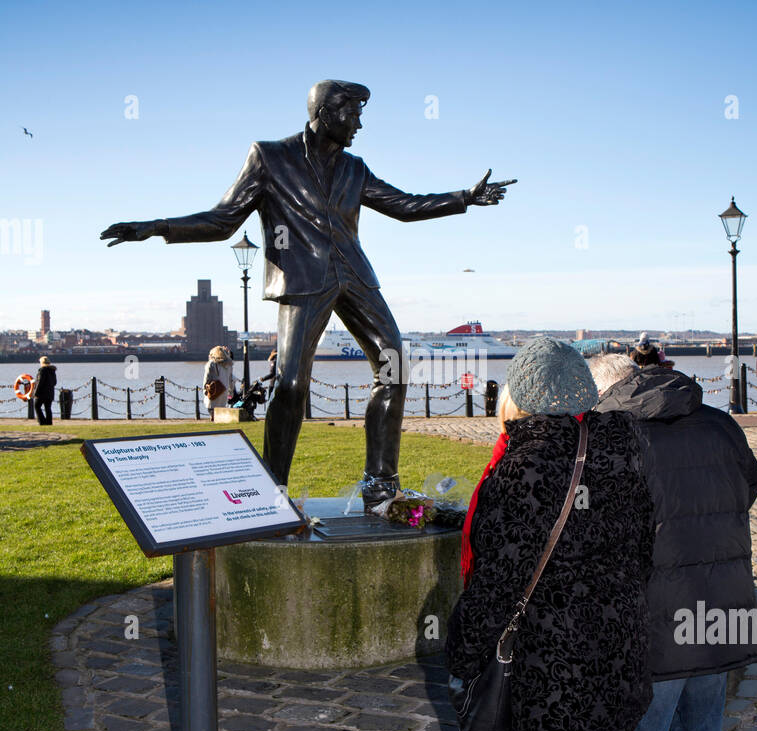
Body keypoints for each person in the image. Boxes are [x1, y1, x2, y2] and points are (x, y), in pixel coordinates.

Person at [100, 79, 514, 501]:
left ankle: (380, 484)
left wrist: (465, 197)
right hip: (301, 281)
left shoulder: (355, 168)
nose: (358, 123)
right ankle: (273, 488)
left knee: (394, 370)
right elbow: (223, 220)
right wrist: (156, 227)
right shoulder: (270, 157)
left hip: (355, 277)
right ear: (326, 113)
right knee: (292, 384)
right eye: (352, 113)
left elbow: (403, 206)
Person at [446, 338, 655, 731]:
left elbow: (496, 582)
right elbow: (643, 552)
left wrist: (462, 653)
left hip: (553, 665)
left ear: (525, 397)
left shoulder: (525, 470)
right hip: (611, 649)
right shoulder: (622, 451)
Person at [589, 353, 757, 731]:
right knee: (702, 725)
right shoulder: (719, 423)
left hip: (657, 607)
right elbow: (747, 488)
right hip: (722, 600)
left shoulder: (614, 435)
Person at [203, 346, 233, 420]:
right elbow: (230, 379)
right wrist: (230, 391)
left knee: (211, 407)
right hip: (224, 389)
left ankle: (213, 418)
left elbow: (207, 378)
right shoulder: (229, 364)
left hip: (214, 389)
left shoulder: (211, 363)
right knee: (221, 409)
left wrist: (205, 390)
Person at [32, 356, 57, 425]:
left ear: (42, 363)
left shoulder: (42, 370)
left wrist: (35, 393)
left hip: (41, 393)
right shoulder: (52, 371)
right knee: (48, 408)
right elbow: (55, 382)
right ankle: (49, 422)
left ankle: (42, 421)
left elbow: (40, 382)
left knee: (37, 406)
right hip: (50, 393)